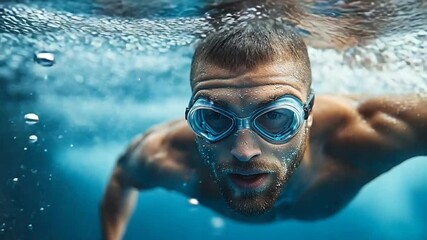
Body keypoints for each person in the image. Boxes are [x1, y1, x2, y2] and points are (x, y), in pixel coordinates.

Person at [100, 20, 427, 240]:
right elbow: (121, 178)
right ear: (191, 119)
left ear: (308, 113)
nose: (244, 151)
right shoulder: (165, 154)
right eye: (213, 119)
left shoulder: (369, 131)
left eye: (274, 118)